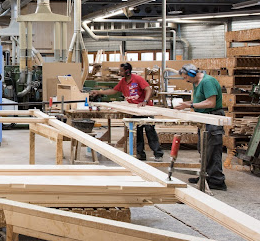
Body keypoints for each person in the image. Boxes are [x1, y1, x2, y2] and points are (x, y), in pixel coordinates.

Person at [89, 62, 163, 162]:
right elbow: (113, 91)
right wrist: (99, 92)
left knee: (150, 131)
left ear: (127, 71)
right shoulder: (123, 81)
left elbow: (148, 89)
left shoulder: (137, 79)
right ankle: (141, 154)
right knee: (138, 132)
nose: (119, 72)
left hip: (145, 109)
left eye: (121, 71)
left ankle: (158, 154)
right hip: (134, 109)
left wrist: (145, 101)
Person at [175, 63, 227, 191]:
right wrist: (186, 104)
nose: (185, 80)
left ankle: (217, 180)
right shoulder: (196, 83)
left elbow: (211, 102)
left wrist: (190, 106)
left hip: (213, 118)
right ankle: (205, 176)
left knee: (213, 150)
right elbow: (199, 100)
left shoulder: (207, 82)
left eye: (186, 77)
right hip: (204, 120)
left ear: (192, 74)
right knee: (203, 149)